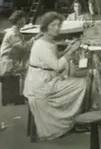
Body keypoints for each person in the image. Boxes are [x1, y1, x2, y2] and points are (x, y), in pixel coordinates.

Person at [23, 12, 85, 140]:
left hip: (43, 79)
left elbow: (53, 58)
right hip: (41, 85)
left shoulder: (46, 41)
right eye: (53, 25)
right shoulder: (42, 45)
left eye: (58, 25)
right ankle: (71, 119)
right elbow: (57, 66)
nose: (57, 28)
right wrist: (72, 51)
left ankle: (74, 117)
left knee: (75, 81)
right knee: (83, 83)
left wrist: (68, 48)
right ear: (45, 27)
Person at [0, 10, 36, 76]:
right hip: (7, 65)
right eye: (24, 19)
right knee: (29, 69)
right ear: (18, 21)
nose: (25, 21)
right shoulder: (13, 34)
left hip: (11, 62)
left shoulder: (15, 32)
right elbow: (24, 47)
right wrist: (35, 38)